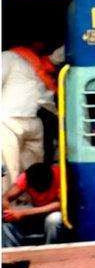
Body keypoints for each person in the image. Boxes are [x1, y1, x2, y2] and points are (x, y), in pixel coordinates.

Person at [1, 43, 62, 191]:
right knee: (10, 169)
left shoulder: (41, 68)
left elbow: (45, 100)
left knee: (33, 169)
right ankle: (6, 207)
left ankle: (25, 206)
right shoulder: (9, 57)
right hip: (9, 119)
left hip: (34, 122)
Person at [2, 162, 63, 247]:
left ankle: (49, 252)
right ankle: (13, 254)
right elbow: (5, 199)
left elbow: (61, 205)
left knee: (54, 219)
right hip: (34, 207)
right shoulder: (25, 177)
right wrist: (10, 214)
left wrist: (23, 213)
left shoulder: (60, 174)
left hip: (53, 211)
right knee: (5, 220)